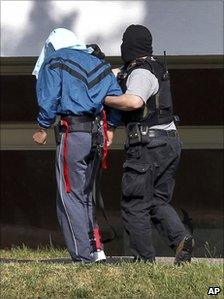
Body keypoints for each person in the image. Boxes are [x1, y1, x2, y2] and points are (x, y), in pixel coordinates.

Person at [104, 24, 194, 264]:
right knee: (156, 201)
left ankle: (144, 262)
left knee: (135, 204)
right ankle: (181, 238)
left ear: (129, 45)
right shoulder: (154, 66)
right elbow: (116, 73)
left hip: (147, 146)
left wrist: (106, 98)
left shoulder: (141, 72)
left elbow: (134, 101)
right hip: (168, 144)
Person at [32, 28, 122, 263]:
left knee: (69, 195)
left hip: (72, 134)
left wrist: (42, 127)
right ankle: (96, 251)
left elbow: (49, 97)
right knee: (86, 195)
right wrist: (111, 127)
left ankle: (82, 257)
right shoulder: (100, 64)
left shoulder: (55, 60)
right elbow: (115, 97)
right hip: (97, 136)